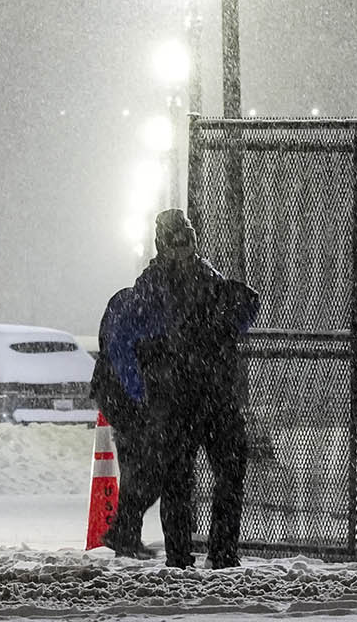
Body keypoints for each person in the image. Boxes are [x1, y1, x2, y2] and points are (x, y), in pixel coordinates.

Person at [104, 209, 261, 569]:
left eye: (187, 240)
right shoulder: (157, 287)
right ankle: (184, 553)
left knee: (221, 472)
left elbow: (238, 314)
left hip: (206, 395)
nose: (183, 248)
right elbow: (134, 341)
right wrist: (143, 391)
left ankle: (217, 551)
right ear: (162, 245)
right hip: (183, 398)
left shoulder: (202, 279)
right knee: (180, 478)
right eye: (177, 242)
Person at [91, 283, 156, 559]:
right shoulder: (145, 310)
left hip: (113, 392)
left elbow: (110, 345)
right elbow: (122, 354)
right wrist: (140, 396)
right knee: (148, 467)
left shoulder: (124, 302)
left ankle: (126, 532)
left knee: (137, 465)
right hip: (125, 396)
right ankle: (124, 531)